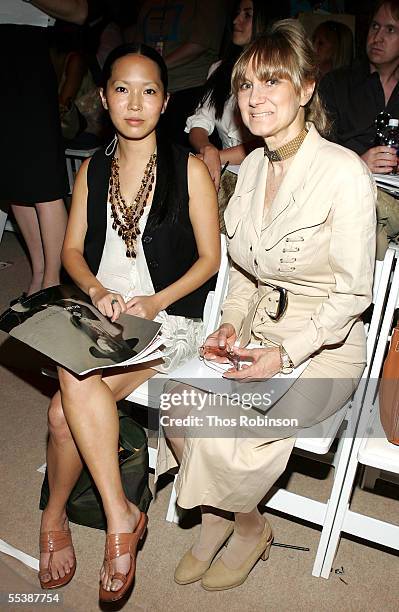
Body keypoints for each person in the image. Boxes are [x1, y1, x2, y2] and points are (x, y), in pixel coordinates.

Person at [158, 19, 376, 591]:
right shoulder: (250, 165)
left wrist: (285, 354)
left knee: (228, 420)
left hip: (325, 347)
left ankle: (236, 526)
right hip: (258, 333)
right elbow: (245, 275)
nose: (254, 99)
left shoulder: (344, 173)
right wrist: (230, 326)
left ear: (306, 88)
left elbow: (353, 295)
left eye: (271, 83)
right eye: (246, 85)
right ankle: (234, 521)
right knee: (178, 401)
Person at [38, 43, 220, 603]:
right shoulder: (94, 169)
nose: (134, 103)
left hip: (165, 319)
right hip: (103, 312)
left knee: (66, 395)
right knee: (63, 410)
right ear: (103, 98)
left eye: (148, 91)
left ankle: (61, 517)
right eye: (122, 89)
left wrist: (155, 300)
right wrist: (97, 289)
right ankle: (114, 513)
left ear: (165, 102)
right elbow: (71, 251)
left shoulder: (187, 169)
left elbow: (210, 260)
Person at [0, 0, 88, 298]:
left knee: (42, 178)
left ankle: (54, 283)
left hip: (25, 50)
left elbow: (79, 11)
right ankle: (38, 275)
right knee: (15, 179)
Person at [318, 0, 399, 256]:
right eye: (375, 26)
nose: (377, 37)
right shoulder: (338, 83)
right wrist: (357, 161)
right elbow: (316, 150)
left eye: (390, 30)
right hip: (340, 194)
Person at [186, 0, 269, 191]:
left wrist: (216, 156)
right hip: (224, 173)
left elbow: (267, 142)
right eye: (237, 13)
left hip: (263, 173)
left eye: (247, 15)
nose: (236, 21)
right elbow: (200, 121)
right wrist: (207, 149)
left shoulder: (274, 75)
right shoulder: (219, 70)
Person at [135, 0, 229, 145]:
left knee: (178, 156)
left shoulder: (203, 4)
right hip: (150, 87)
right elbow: (139, 43)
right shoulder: (148, 4)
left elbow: (200, 43)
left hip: (190, 88)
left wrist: (153, 66)